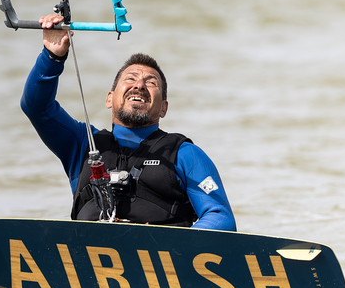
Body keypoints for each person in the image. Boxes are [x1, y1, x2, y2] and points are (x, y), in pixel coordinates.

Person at [20, 13, 236, 231]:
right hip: (87, 248)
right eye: (130, 78)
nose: (139, 85)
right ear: (109, 98)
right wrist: (52, 57)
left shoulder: (185, 154)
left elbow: (220, 217)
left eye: (151, 83)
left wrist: (171, 245)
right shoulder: (82, 144)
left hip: (162, 251)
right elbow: (36, 108)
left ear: (164, 108)